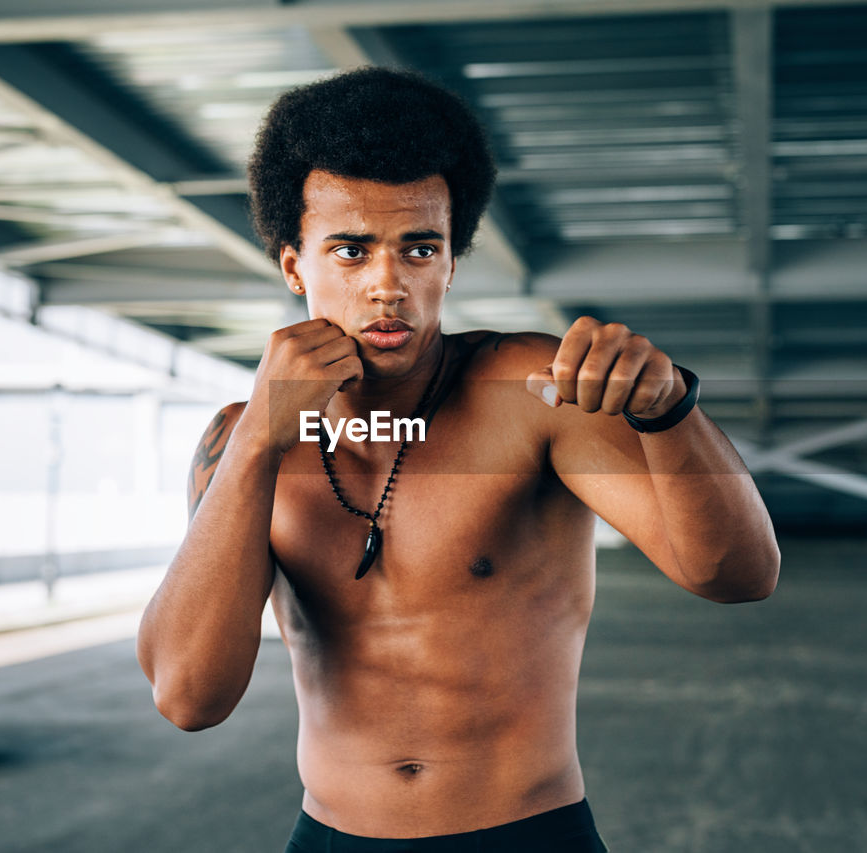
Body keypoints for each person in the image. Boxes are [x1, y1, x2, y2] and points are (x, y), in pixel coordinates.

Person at [136, 67, 779, 852]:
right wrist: (261, 442)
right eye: (350, 250)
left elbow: (740, 576)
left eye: (419, 248)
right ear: (293, 264)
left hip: (525, 831)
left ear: (450, 263)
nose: (387, 285)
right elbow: (188, 695)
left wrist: (669, 408)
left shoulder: (529, 391)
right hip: (332, 834)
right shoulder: (237, 441)